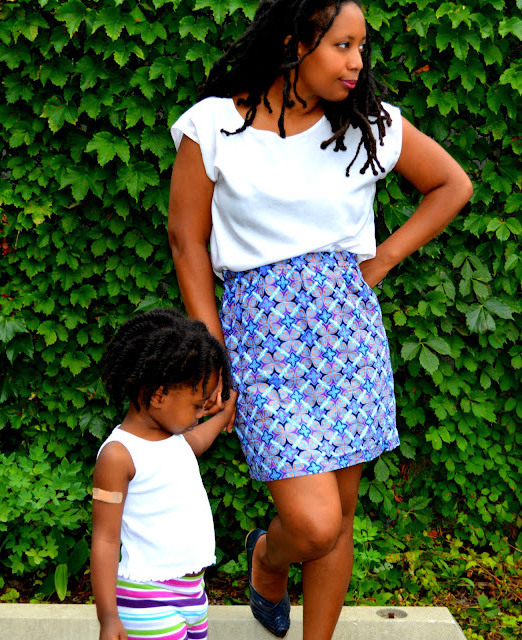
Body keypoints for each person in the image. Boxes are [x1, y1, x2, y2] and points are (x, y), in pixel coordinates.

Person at [167, 0, 473, 639]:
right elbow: (186, 240)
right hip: (261, 336)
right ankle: (268, 557)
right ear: (293, 44)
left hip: (347, 335)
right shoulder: (215, 126)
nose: (357, 63)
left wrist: (381, 259)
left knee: (344, 510)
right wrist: (211, 347)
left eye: (362, 48)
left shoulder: (371, 125)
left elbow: (452, 184)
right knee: (313, 522)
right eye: (342, 46)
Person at [90, 308, 238, 640]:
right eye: (198, 405)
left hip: (193, 591)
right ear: (159, 396)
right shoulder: (118, 455)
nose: (202, 413)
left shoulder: (174, 440)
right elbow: (104, 539)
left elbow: (196, 442)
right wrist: (108, 617)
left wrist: (225, 412)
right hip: (146, 596)